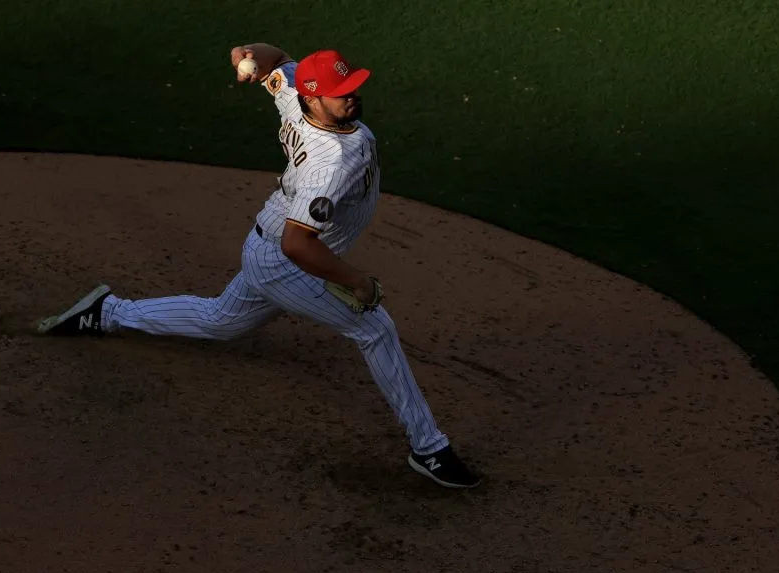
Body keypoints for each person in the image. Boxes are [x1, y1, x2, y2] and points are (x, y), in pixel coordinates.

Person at [36, 42, 480, 489]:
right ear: (313, 98)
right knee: (374, 328)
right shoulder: (331, 164)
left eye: (351, 87)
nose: (352, 97)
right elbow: (298, 245)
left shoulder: (293, 93)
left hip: (267, 246)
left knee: (221, 321)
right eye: (340, 91)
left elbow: (275, 58)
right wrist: (358, 282)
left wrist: (248, 53)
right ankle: (430, 447)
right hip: (284, 262)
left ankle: (105, 312)